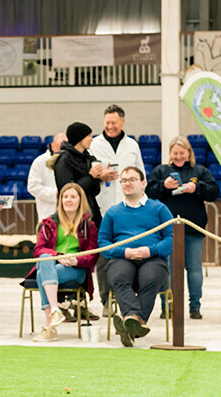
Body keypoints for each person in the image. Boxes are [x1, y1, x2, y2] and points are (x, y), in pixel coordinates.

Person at [98, 166, 173, 347]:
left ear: (143, 183)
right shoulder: (112, 212)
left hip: (152, 258)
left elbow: (172, 238)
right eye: (124, 180)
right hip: (122, 257)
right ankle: (135, 321)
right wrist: (124, 252)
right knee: (119, 276)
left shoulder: (159, 209)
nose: (127, 184)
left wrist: (151, 250)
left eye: (132, 179)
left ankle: (129, 321)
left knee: (151, 277)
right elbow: (103, 243)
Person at [146, 135, 219, 319]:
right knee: (167, 268)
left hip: (193, 227)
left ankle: (195, 306)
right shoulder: (161, 171)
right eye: (175, 153)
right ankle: (167, 306)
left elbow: (214, 192)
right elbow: (148, 191)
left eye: (182, 152)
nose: (178, 156)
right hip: (166, 229)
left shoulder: (200, 171)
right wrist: (164, 185)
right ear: (170, 153)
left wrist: (197, 188)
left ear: (189, 153)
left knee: (194, 267)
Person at [24, 183, 98, 342]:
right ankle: (55, 310)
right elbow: (38, 250)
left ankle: (49, 326)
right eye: (65, 196)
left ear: (80, 201)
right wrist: (57, 256)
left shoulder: (89, 226)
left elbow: (93, 256)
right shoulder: (49, 223)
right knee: (44, 260)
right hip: (52, 264)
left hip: (75, 270)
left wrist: (76, 259)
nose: (68, 200)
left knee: (41, 272)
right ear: (60, 200)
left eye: (72, 197)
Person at [89, 105, 145, 313]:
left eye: (114, 123)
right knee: (105, 255)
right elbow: (88, 174)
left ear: (123, 122)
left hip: (129, 207)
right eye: (107, 123)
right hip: (104, 207)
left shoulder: (132, 145)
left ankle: (128, 297)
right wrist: (100, 175)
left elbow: (141, 174)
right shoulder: (94, 144)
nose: (110, 127)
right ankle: (106, 300)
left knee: (130, 251)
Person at [50, 122, 111, 227]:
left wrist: (99, 177)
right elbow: (67, 191)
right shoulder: (63, 160)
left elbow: (95, 191)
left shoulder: (88, 158)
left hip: (91, 213)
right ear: (79, 138)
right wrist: (91, 177)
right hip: (72, 217)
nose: (92, 139)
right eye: (89, 136)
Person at [27, 133, 66, 222]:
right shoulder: (39, 162)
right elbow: (33, 187)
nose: (62, 149)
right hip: (47, 212)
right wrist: (55, 193)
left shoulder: (71, 161)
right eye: (60, 146)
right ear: (52, 145)